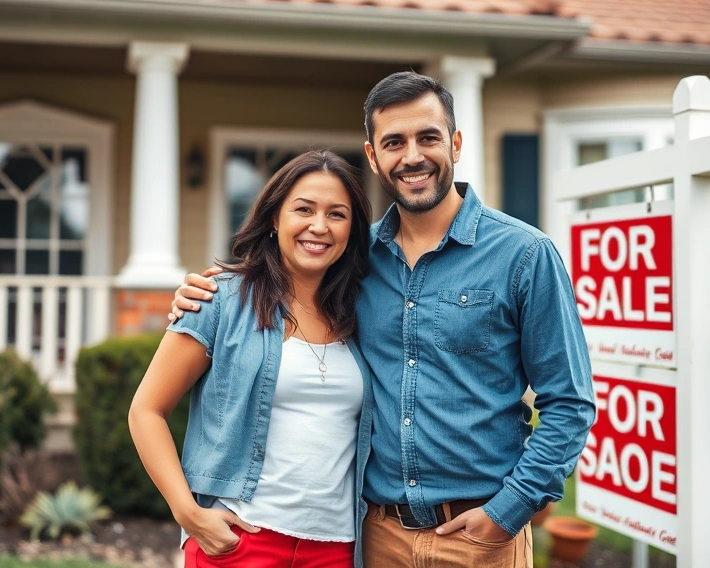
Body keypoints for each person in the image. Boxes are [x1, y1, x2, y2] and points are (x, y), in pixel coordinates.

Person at [170, 71, 596, 568]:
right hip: (375, 536)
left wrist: (509, 510)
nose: (412, 156)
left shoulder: (524, 255)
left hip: (481, 538)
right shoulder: (354, 259)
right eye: (394, 142)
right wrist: (208, 292)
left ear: (456, 142)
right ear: (373, 156)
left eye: (428, 137)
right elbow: (288, 288)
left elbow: (569, 403)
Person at [129, 150, 376, 568]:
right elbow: (146, 410)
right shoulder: (221, 299)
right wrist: (188, 512)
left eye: (337, 214)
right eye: (304, 209)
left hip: (336, 547)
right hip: (240, 541)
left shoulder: (364, 310)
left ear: (352, 230)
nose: (319, 226)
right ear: (275, 217)